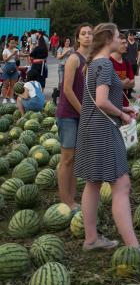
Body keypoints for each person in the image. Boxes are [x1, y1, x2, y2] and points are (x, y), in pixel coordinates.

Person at [74, 23, 140, 261]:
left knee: (92, 183)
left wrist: (122, 106)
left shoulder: (92, 64)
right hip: (103, 130)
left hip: (89, 127)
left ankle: (91, 238)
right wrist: (122, 115)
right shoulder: (103, 64)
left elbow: (96, 100)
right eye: (117, 35)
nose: (120, 38)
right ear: (108, 39)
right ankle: (134, 249)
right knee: (121, 186)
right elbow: (101, 100)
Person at [56, 24, 93, 210]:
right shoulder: (74, 58)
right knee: (67, 158)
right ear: (78, 38)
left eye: (90, 33)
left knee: (75, 158)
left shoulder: (92, 60)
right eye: (83, 34)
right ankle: (65, 202)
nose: (87, 36)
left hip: (81, 114)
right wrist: (83, 112)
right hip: (68, 114)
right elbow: (67, 90)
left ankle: (71, 199)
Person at [111, 34, 135, 106]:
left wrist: (117, 84)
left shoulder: (126, 62)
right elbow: (107, 86)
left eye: (126, 43)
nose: (126, 46)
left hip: (124, 102)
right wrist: (125, 81)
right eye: (122, 43)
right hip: (111, 103)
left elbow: (132, 83)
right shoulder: (107, 62)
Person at [2, 36, 20, 103]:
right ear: (8, 43)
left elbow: (17, 60)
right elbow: (5, 60)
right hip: (7, 68)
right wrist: (12, 54)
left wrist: (17, 56)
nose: (13, 44)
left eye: (14, 43)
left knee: (13, 85)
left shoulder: (16, 50)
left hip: (14, 68)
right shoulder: (5, 50)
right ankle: (4, 98)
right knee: (5, 85)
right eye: (11, 43)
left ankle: (11, 97)